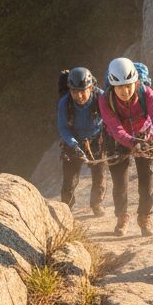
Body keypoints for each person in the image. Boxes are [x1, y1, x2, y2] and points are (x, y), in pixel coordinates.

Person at [99, 57, 153, 237]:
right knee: (119, 183)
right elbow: (115, 128)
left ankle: (144, 217)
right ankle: (122, 217)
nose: (125, 90)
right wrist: (132, 142)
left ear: (136, 82)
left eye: (129, 85)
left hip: (145, 137)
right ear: (112, 86)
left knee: (147, 183)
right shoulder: (105, 100)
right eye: (120, 86)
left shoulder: (146, 93)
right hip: (117, 141)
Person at [57, 66, 107, 217]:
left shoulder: (101, 98)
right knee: (70, 179)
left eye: (82, 91)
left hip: (97, 140)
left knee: (99, 175)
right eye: (74, 91)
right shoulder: (65, 103)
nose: (78, 96)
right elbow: (63, 128)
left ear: (91, 88)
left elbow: (111, 121)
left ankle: (96, 203)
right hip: (74, 142)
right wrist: (73, 144)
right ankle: (66, 208)